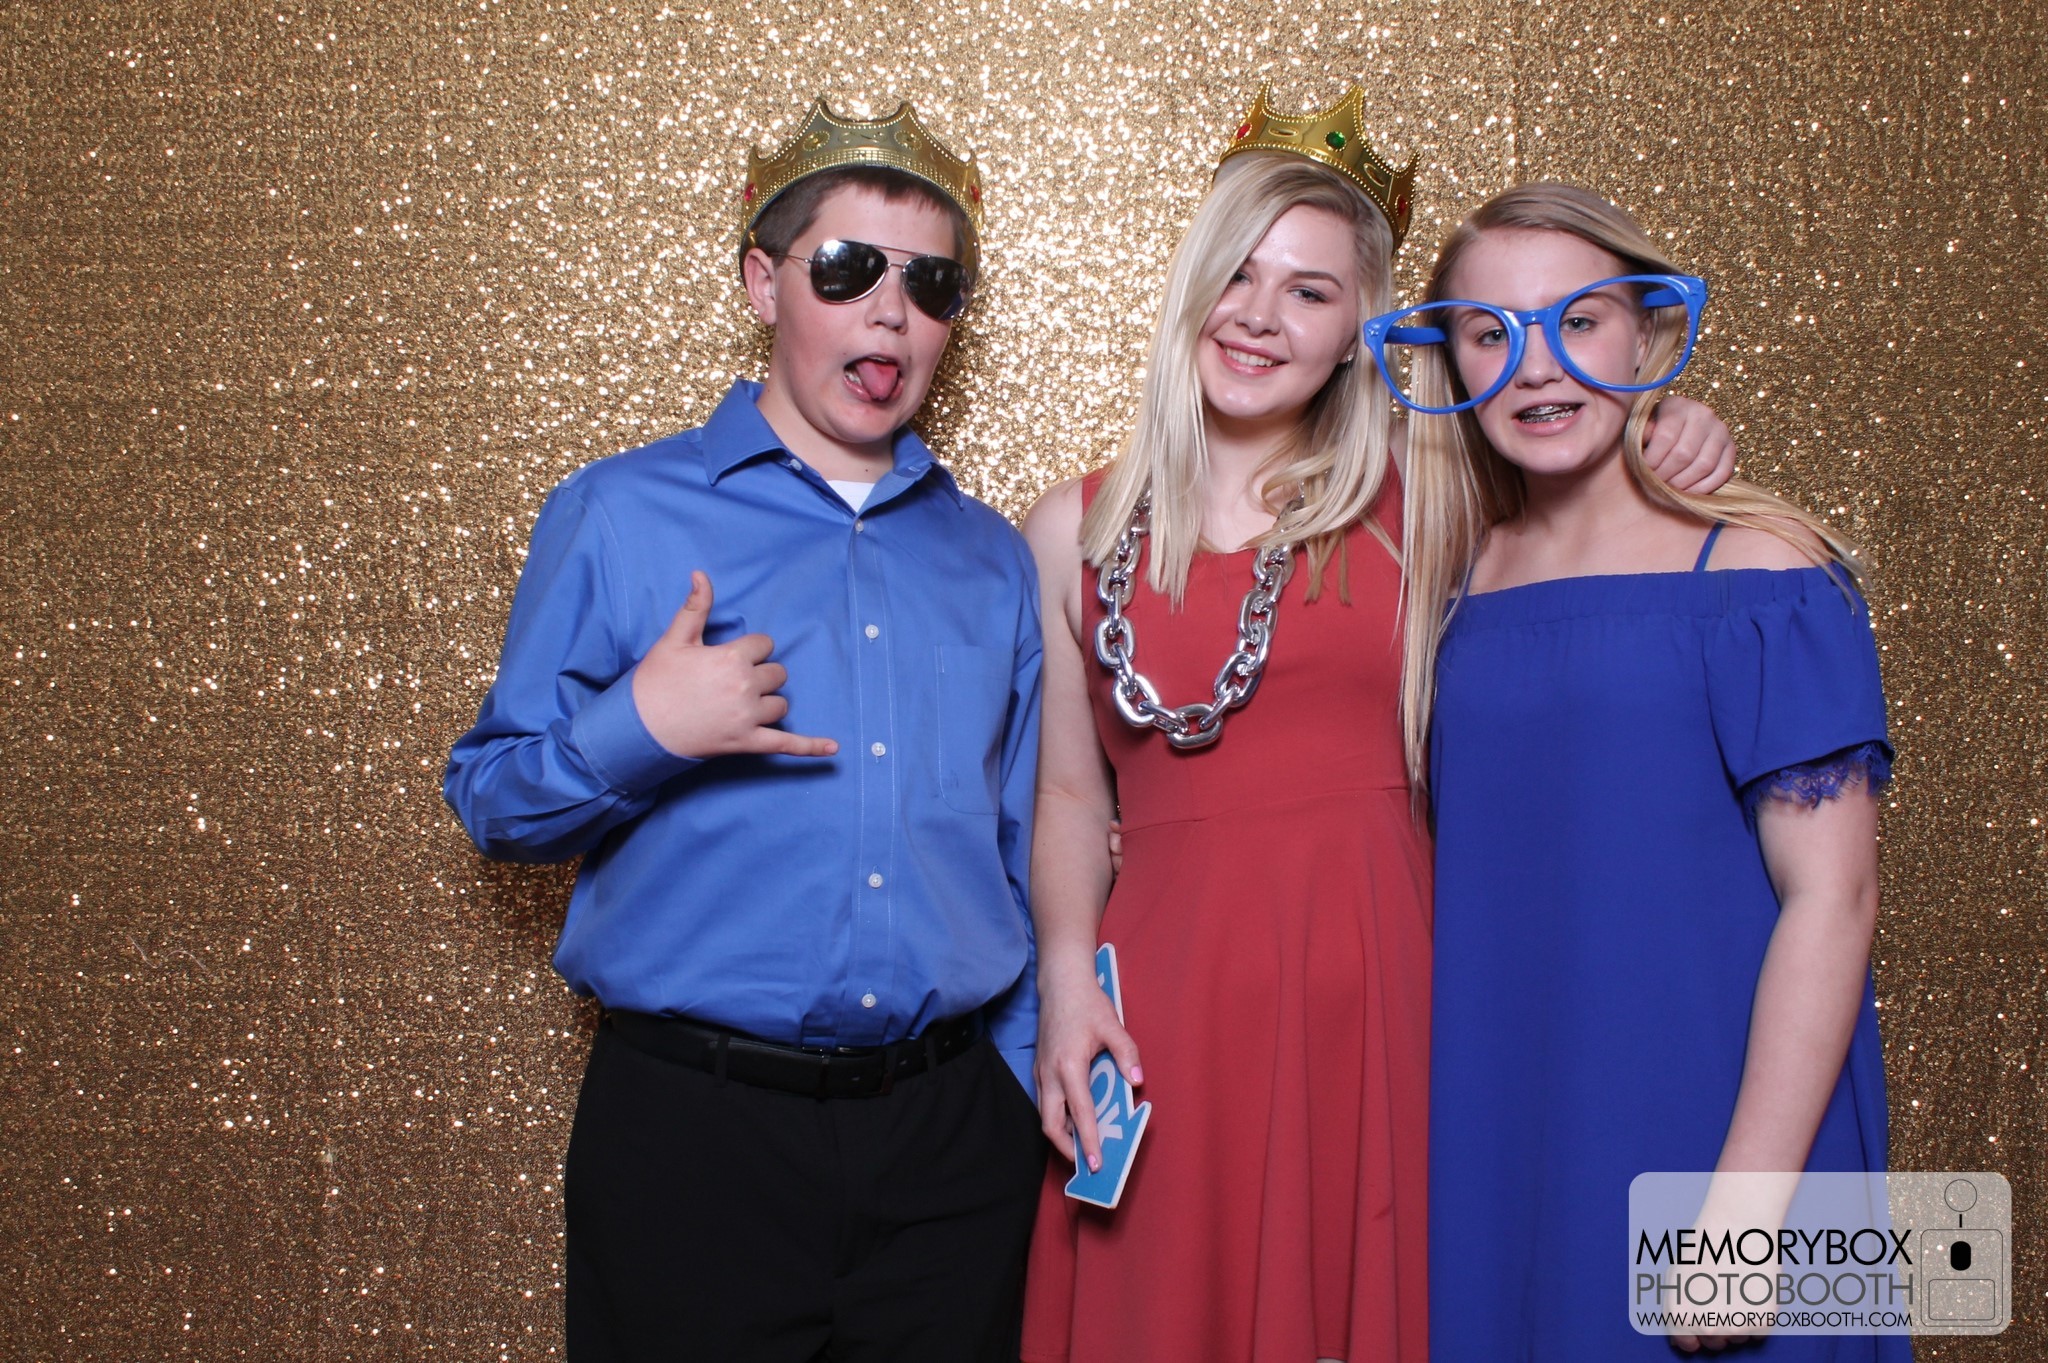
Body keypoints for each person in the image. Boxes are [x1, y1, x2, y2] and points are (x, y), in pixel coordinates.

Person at [1018, 89, 1738, 1363]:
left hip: (1387, 993)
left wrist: (1661, 427)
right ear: (1189, 289)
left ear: (1361, 331)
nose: (1258, 314)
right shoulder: (1071, 527)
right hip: (1167, 1009)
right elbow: (1072, 795)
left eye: (1308, 290)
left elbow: (1580, 483)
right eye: (1237, 273)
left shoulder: (1437, 497)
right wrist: (1068, 982)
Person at [443, 98, 1046, 1362]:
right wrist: (641, 728)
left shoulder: (992, 558)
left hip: (950, 1145)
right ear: (762, 283)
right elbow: (492, 799)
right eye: (848, 269)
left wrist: (1019, 1080)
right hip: (695, 1140)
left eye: (931, 284)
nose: (890, 311)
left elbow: (1023, 843)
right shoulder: (616, 514)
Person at [1377, 181, 1906, 1359]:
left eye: (1578, 320)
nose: (1535, 365)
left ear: (1645, 332)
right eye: (1488, 332)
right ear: (1449, 361)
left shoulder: (1759, 568)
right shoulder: (1448, 577)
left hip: (1728, 1131)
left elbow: (1834, 896)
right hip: (1512, 1131)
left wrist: (1746, 1214)